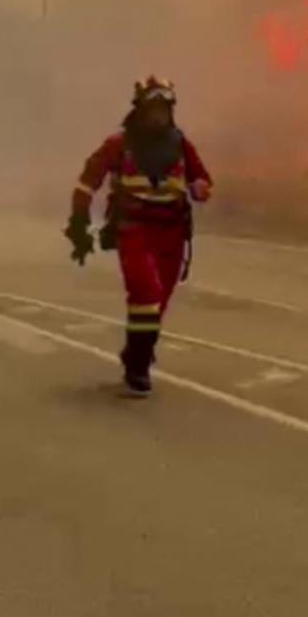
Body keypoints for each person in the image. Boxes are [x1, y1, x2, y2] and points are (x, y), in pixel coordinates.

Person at [64, 76, 213, 396]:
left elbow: (201, 177)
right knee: (146, 292)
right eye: (153, 108)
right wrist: (79, 219)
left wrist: (200, 188)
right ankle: (139, 367)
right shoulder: (119, 144)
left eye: (164, 108)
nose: (159, 115)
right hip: (134, 229)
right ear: (140, 110)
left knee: (157, 303)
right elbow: (88, 179)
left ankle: (137, 353)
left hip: (172, 233)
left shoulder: (180, 143)